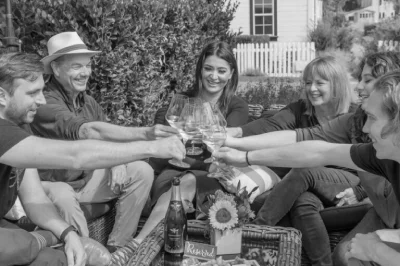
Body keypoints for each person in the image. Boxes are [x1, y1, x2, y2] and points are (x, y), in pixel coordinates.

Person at [0, 52, 184, 266]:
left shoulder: (21, 124)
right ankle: (43, 240)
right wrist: (151, 146)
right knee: (30, 248)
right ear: (2, 96)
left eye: (41, 91)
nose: (41, 100)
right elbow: (76, 154)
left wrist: (68, 234)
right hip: (46, 198)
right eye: (33, 93)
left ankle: (114, 249)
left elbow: (34, 199)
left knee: (60, 258)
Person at [222, 52, 400, 266]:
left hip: (366, 200)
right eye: (308, 82)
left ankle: (253, 234)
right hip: (382, 212)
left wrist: (378, 251)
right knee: (342, 251)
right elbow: (310, 146)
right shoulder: (360, 133)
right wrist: (241, 151)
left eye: (368, 80)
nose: (359, 87)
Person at [127, 41, 249, 263]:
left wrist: (197, 151)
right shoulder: (181, 102)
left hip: (213, 181)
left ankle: (136, 246)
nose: (214, 76)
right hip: (173, 174)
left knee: (191, 180)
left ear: (231, 74)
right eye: (208, 68)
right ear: (200, 69)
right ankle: (141, 249)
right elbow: (166, 151)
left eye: (221, 71)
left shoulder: (236, 106)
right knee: (181, 183)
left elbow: (226, 150)